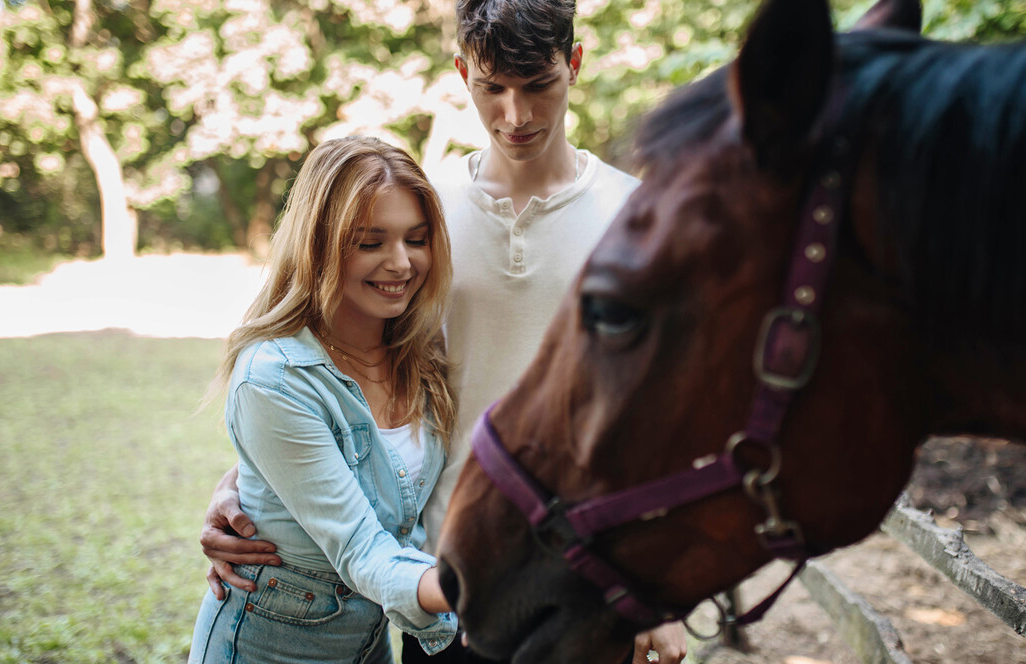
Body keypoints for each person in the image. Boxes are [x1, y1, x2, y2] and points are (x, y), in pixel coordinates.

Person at [199, 1, 689, 662]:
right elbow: (340, 367)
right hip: (440, 584)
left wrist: (651, 583)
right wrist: (245, 482)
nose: (515, 115)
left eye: (538, 84)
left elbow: (663, 415)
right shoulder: (416, 211)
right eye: (492, 88)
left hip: (586, 580)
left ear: (573, 66)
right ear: (463, 74)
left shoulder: (641, 218)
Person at [188, 136, 458, 663]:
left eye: (416, 239)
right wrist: (489, 586)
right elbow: (363, 547)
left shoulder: (424, 355)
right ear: (320, 244)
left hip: (367, 645)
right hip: (265, 649)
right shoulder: (274, 378)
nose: (400, 263)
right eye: (370, 242)